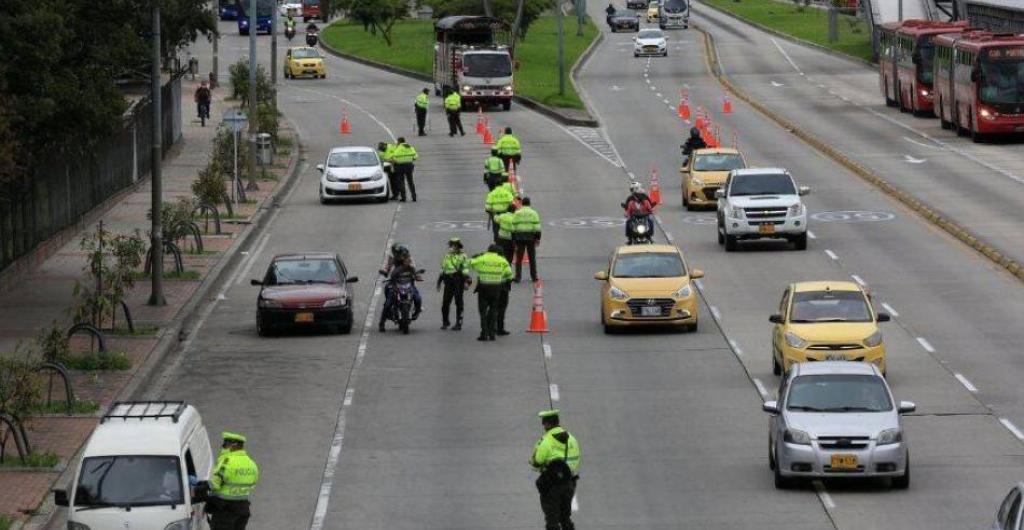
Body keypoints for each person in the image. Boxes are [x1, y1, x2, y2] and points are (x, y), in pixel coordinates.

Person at [530, 410, 580, 530]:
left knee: (552, 521)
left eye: (544, 424)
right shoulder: (572, 439)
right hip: (569, 484)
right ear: (557, 422)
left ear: (547, 424)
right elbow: (576, 459)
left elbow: (536, 462)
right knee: (565, 519)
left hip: (552, 486)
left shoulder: (545, 441)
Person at [208, 432, 259, 530]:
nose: (223, 447)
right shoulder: (251, 464)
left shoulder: (227, 461)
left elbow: (214, 484)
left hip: (225, 511)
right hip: (243, 509)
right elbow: (253, 484)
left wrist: (201, 485)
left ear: (233, 445)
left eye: (225, 444)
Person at [470, 244, 513, 341]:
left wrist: (478, 258)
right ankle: (493, 333)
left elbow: (470, 262)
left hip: (484, 287)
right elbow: (510, 275)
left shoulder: (483, 258)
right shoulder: (503, 261)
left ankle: (484, 333)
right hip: (498, 288)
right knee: (495, 310)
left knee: (483, 311)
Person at [378, 244, 422, 331]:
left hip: (408, 283)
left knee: (418, 298)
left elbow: (414, 271)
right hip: (395, 283)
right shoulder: (392, 259)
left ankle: (417, 311)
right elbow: (387, 270)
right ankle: (382, 323)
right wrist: (384, 272)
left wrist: (417, 276)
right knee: (388, 303)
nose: (404, 258)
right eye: (401, 255)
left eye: (405, 256)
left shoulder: (409, 259)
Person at [437, 237, 471, 330]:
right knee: (445, 303)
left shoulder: (463, 256)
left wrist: (466, 280)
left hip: (458, 281)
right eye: (451, 245)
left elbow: (465, 268)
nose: (452, 247)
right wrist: (439, 281)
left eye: (454, 245)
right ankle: (445, 322)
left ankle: (458, 323)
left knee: (458, 302)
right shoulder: (447, 255)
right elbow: (443, 268)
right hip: (448, 281)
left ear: (458, 246)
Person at [512, 196, 541, 283]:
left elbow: (513, 227)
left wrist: (514, 239)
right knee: (532, 258)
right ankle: (534, 277)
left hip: (519, 237)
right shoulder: (534, 213)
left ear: (522, 203)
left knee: (519, 258)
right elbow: (537, 227)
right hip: (530, 238)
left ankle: (518, 277)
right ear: (529, 204)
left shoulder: (517, 213)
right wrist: (538, 238)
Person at [390, 137, 419, 202]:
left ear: (399, 142)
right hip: (409, 166)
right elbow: (415, 156)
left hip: (400, 167)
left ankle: (404, 197)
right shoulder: (409, 147)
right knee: (410, 181)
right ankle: (414, 196)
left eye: (397, 142)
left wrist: (394, 163)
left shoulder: (398, 148)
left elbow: (393, 158)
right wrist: (409, 159)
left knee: (401, 182)